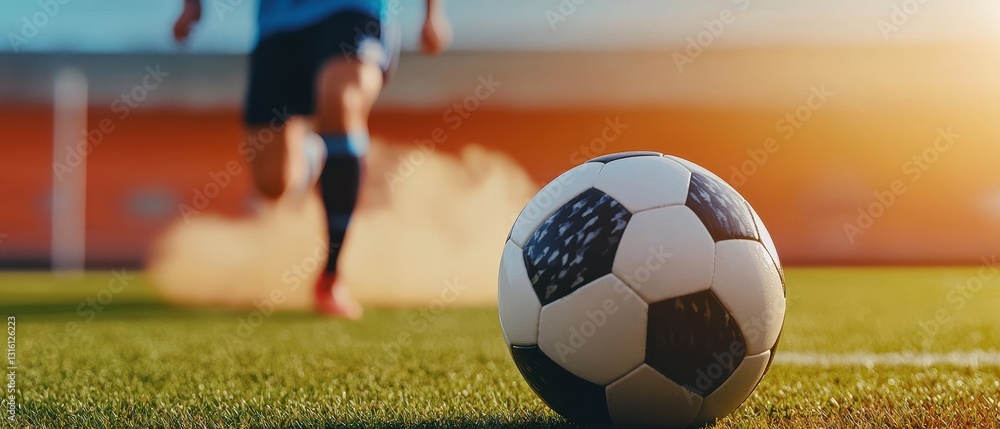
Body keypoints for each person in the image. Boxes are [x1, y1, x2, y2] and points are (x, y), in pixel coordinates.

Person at [173, 0, 452, 318]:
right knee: (272, 184)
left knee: (338, 99)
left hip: (353, 12)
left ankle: (332, 276)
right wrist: (192, 7)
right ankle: (314, 154)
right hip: (279, 26)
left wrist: (433, 14)